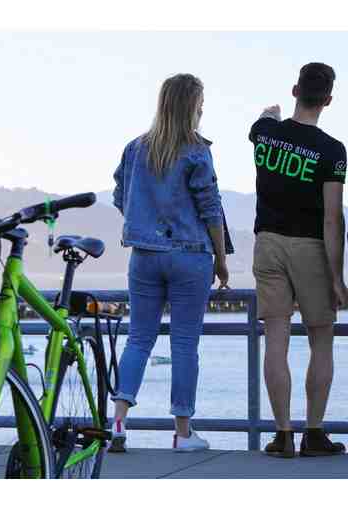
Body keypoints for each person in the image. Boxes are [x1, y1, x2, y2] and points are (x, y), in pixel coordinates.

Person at [111, 73, 231, 453]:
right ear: (192, 106)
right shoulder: (196, 151)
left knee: (138, 339)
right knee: (184, 344)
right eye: (201, 104)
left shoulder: (135, 148)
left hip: (144, 256)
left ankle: (118, 423)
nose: (202, 110)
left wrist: (146, 223)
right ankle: (182, 433)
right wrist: (221, 260)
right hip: (190, 256)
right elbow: (210, 208)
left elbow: (121, 196)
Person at [250, 63, 348, 458]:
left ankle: (283, 436)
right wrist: (337, 278)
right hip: (310, 247)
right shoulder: (333, 150)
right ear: (328, 100)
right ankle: (314, 433)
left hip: (267, 243)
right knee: (321, 341)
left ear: (295, 90)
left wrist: (270, 114)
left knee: (276, 340)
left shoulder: (265, 133)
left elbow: (261, 121)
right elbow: (332, 217)